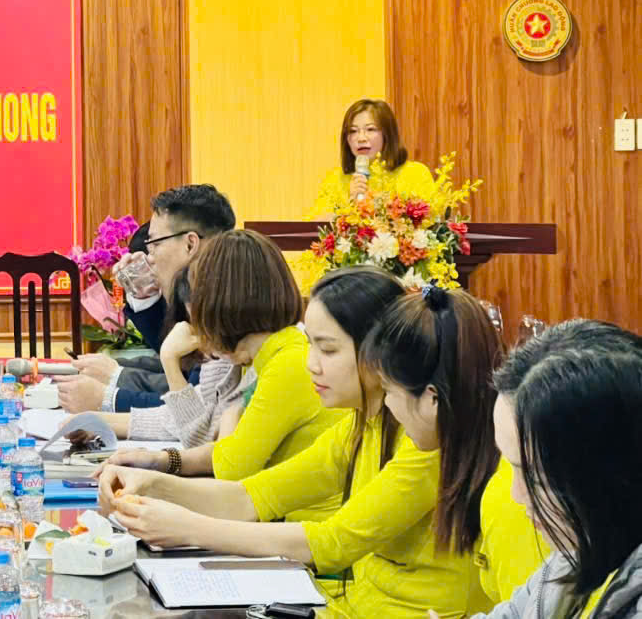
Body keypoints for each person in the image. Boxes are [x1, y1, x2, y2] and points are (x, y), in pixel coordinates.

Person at [102, 267, 480, 619]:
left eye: (327, 349)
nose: (312, 364)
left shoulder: (422, 441)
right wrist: (153, 484)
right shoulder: (363, 423)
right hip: (352, 603)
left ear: (378, 353)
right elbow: (253, 495)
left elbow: (332, 542)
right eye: (311, 345)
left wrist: (188, 526)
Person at [102, 231, 344, 514]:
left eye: (197, 306)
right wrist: (161, 460)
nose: (192, 324)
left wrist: (151, 480)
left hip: (298, 528)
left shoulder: (287, 363)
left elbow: (229, 470)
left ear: (224, 303)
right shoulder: (259, 356)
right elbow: (225, 450)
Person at [362, 286, 548, 611]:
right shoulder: (476, 457)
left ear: (432, 399)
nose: (387, 404)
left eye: (389, 390)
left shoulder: (509, 495)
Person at [452, 321, 642, 619]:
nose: (516, 495)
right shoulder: (581, 544)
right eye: (510, 466)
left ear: (610, 476)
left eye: (536, 479)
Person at [57, 184, 236, 414]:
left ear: (190, 244)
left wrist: (107, 398)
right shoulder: (208, 291)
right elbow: (185, 368)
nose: (149, 258)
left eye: (155, 244)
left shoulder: (229, 305)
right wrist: (146, 297)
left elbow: (194, 412)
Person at [91, 263, 241, 447]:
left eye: (154, 247)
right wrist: (96, 421)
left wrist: (169, 359)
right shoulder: (224, 355)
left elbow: (198, 435)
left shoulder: (239, 360)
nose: (148, 259)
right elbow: (184, 417)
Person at [310, 98, 435, 218]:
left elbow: (430, 221)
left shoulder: (415, 174)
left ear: (387, 134)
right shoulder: (335, 180)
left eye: (370, 129)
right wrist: (349, 206)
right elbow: (313, 225)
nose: (361, 138)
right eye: (353, 131)